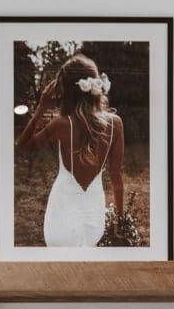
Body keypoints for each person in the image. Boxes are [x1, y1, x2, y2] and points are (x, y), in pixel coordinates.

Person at [16, 53, 125, 247]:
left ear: (68, 91)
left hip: (61, 219)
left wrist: (42, 106)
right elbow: (116, 178)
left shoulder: (61, 124)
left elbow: (23, 146)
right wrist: (119, 220)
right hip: (94, 222)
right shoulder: (115, 123)